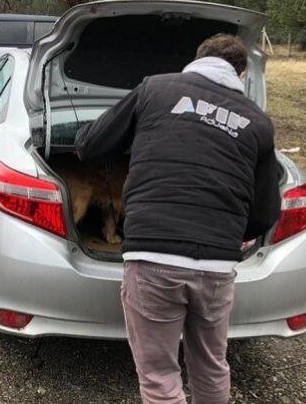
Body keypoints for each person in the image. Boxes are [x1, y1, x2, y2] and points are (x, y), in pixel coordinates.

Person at [75, 34, 281, 404]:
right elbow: (264, 215)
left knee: (159, 376)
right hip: (217, 266)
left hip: (154, 260)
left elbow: (90, 146)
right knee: (212, 366)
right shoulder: (258, 122)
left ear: (196, 60)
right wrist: (228, 234)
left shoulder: (155, 88)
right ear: (241, 72)